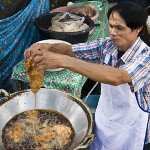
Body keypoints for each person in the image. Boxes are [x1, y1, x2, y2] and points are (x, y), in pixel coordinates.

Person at [25, 2, 150, 150]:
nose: (112, 32)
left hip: (131, 126)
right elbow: (72, 50)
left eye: (119, 28)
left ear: (138, 29)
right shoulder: (107, 45)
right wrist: (48, 47)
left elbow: (118, 77)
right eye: (110, 26)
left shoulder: (146, 57)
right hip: (107, 114)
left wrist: (62, 61)